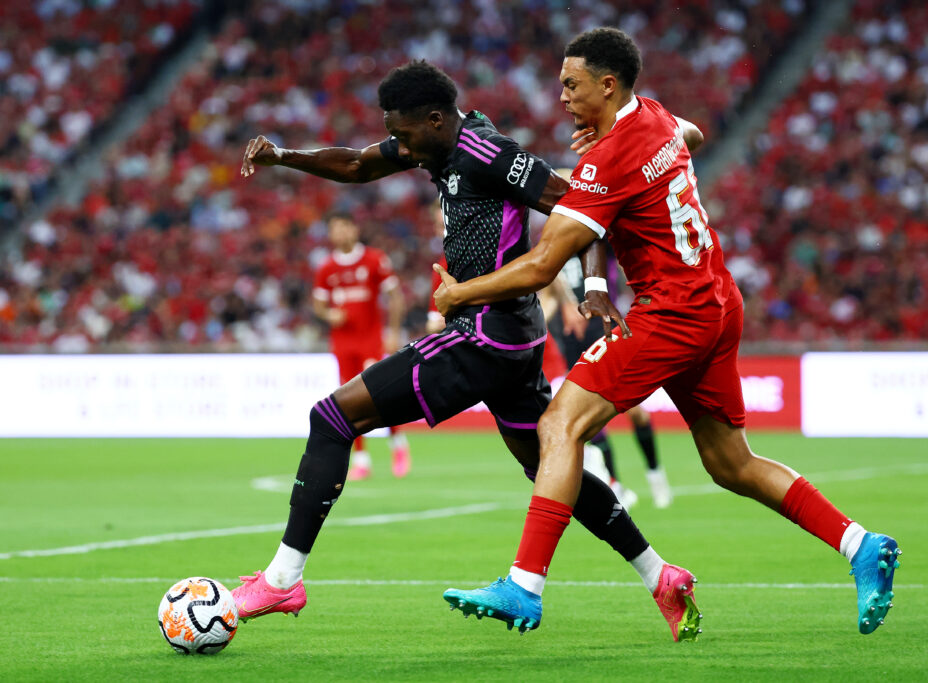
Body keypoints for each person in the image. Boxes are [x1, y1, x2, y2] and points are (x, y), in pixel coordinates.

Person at [436, 28, 901, 637]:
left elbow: (544, 264)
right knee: (731, 463)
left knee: (559, 425)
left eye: (571, 85)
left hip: (672, 311)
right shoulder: (654, 116)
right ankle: (860, 543)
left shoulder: (606, 160)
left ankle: (524, 585)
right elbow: (693, 134)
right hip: (717, 300)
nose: (562, 97)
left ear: (607, 85)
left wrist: (460, 293)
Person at [230, 60, 699, 640]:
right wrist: (284, 157)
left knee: (332, 418)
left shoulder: (489, 153)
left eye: (404, 135)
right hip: (513, 339)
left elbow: (580, 206)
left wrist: (596, 283)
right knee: (550, 467)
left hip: (484, 335)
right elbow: (357, 164)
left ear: (435, 119)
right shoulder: (435, 145)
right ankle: (659, 574)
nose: (400, 147)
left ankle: (282, 580)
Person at [551, 252, 672, 509]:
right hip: (573, 341)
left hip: (608, 333)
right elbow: (549, 291)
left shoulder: (596, 242)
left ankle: (655, 473)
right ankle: (616, 487)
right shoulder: (554, 248)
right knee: (592, 421)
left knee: (637, 413)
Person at [312, 212, 410, 480]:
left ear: (354, 229)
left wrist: (393, 332)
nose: (341, 233)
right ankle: (361, 459)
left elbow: (395, 297)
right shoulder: (326, 267)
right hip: (343, 343)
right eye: (335, 228)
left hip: (370, 340)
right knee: (347, 401)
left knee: (379, 395)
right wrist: (329, 314)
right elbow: (318, 305)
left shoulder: (374, 259)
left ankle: (398, 444)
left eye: (345, 227)